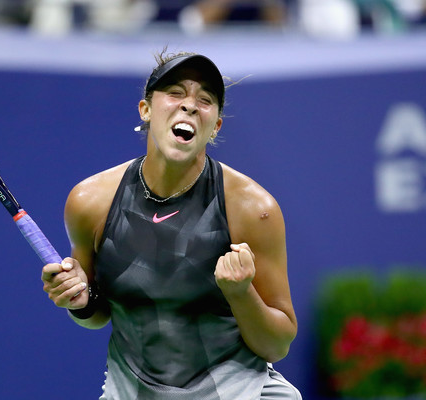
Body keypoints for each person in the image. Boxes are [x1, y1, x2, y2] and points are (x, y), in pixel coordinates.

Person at [41, 50, 301, 399]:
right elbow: (96, 313)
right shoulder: (90, 202)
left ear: (215, 126)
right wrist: (80, 301)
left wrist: (241, 293)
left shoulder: (253, 209)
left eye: (205, 99)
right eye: (175, 92)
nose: (190, 105)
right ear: (145, 110)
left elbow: (277, 346)